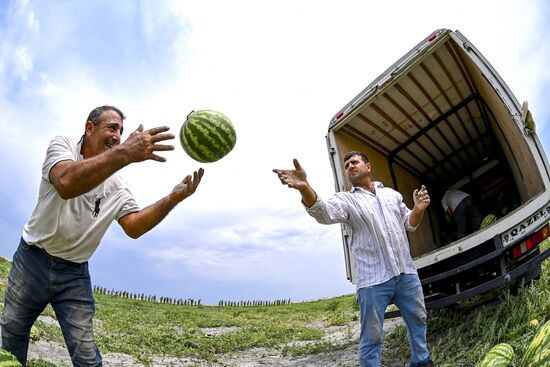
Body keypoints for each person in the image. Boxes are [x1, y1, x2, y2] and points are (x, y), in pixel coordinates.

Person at [1, 105, 204, 366]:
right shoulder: (63, 147)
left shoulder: (117, 184)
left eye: (121, 131)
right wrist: (125, 154)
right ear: (89, 128)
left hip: (73, 274)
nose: (118, 136)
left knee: (86, 353)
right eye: (112, 127)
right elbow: (66, 183)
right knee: (13, 334)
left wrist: (172, 199)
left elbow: (134, 227)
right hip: (32, 260)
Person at [273, 151, 433, 367]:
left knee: (418, 321)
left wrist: (418, 209)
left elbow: (409, 224)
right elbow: (324, 213)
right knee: (372, 336)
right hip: (372, 281)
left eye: (354, 162)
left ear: (368, 167)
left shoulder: (392, 195)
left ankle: (422, 362)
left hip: (406, 274)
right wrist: (305, 187)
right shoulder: (346, 199)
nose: (350, 166)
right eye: (346, 164)